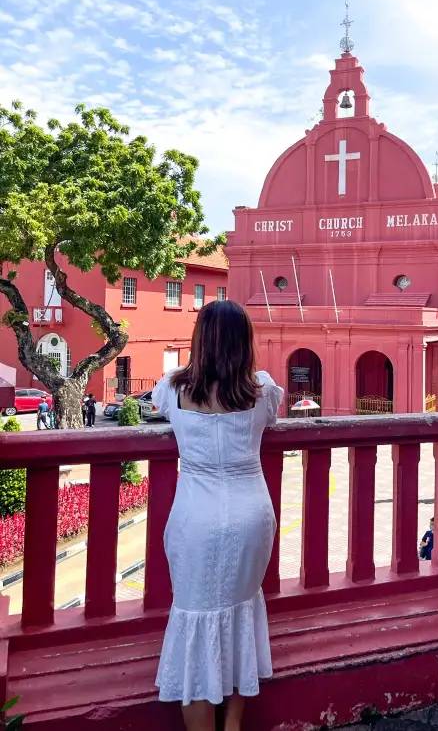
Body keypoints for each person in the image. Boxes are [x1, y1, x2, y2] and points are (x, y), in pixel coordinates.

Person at [151, 300, 283, 731]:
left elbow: (158, 404)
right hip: (251, 518)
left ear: (199, 341)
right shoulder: (261, 390)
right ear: (245, 343)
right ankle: (234, 724)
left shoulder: (173, 389)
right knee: (242, 611)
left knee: (196, 627)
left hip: (196, 521)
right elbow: (275, 415)